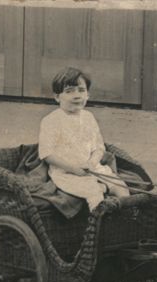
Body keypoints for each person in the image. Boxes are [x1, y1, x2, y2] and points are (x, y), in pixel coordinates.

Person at [38, 67, 129, 211]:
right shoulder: (51, 121)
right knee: (94, 193)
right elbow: (47, 154)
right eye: (69, 91)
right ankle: (97, 225)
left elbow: (99, 148)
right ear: (57, 97)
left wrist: (92, 163)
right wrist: (73, 168)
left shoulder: (88, 118)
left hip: (92, 168)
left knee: (120, 187)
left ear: (88, 95)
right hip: (66, 173)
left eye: (81, 90)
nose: (77, 96)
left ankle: (127, 217)